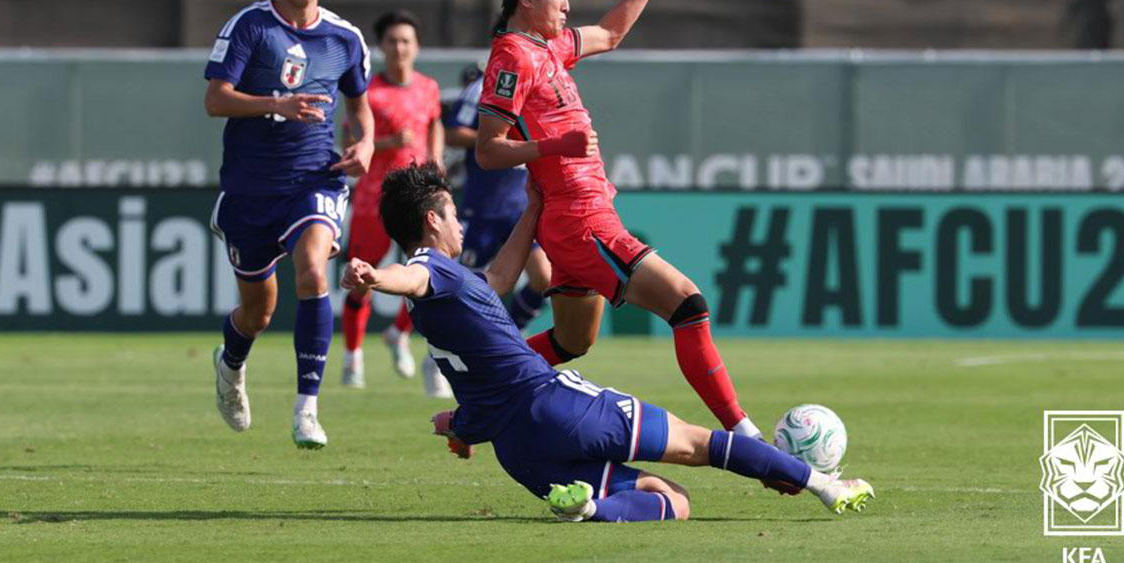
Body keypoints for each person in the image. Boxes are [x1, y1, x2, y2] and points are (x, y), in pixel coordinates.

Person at [341, 164, 875, 522]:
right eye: (453, 214)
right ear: (432, 221)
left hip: (520, 452)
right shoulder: (428, 269)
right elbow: (410, 276)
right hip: (559, 408)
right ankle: (826, 486)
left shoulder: (453, 291)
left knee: (674, 503)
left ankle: (591, 509)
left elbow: (501, 278)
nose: (459, 224)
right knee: (699, 445)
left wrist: (533, 206)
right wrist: (374, 278)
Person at [474, 0, 767, 444]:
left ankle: (475, 399)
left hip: (577, 216)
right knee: (688, 303)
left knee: (570, 342)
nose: (567, 4)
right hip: (580, 219)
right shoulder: (512, 57)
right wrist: (553, 148)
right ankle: (742, 432)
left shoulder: (547, 49)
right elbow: (487, 149)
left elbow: (609, 34)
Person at [204, 0, 374, 450]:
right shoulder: (250, 26)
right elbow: (215, 99)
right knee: (259, 312)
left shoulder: (345, 37)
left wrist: (365, 145)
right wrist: (276, 103)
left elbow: (360, 107)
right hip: (252, 188)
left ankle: (307, 409)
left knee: (313, 274)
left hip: (313, 179)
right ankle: (230, 364)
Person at [339, 9, 447, 395]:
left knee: (427, 275)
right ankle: (352, 357)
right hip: (373, 200)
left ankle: (399, 333)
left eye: (406, 41)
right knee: (360, 279)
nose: (399, 48)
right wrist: (386, 143)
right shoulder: (367, 91)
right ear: (381, 47)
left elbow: (434, 123)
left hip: (417, 201)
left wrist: (438, 165)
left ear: (416, 47)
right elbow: (347, 143)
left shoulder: (428, 87)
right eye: (392, 41)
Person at [445, 61, 552, 330]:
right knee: (467, 289)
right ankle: (442, 356)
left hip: (520, 208)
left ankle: (514, 337)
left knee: (544, 278)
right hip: (484, 207)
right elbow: (453, 132)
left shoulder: (537, 86)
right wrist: (495, 139)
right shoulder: (482, 86)